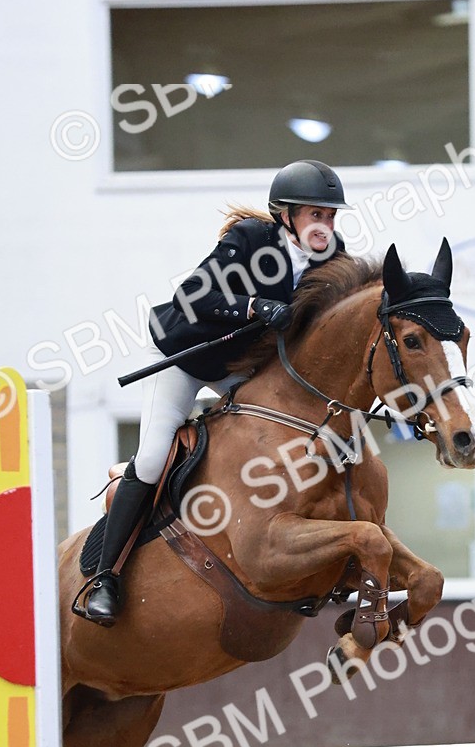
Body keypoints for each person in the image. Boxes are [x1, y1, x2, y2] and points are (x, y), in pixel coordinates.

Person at [80, 159, 350, 626]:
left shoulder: (332, 257)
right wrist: (253, 305)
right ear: (285, 215)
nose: (325, 226)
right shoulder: (248, 240)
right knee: (150, 458)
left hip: (241, 370)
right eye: (315, 215)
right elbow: (194, 298)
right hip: (191, 358)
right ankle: (105, 578)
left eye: (330, 216)